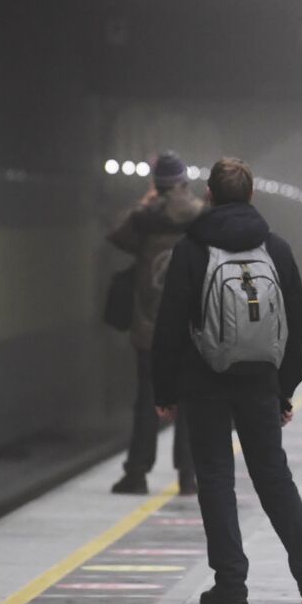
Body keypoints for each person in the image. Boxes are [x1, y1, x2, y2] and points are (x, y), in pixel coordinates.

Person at [152, 157, 302, 604]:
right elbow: (298, 325)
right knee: (274, 477)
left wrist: (165, 390)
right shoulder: (275, 247)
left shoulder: (191, 249)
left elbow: (171, 324)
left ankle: (231, 583)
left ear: (210, 197)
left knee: (215, 478)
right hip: (260, 382)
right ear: (252, 195)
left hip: (204, 381)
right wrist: (285, 388)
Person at [105, 152, 205, 495]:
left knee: (146, 402)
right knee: (190, 405)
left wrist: (145, 201)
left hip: (150, 326)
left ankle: (137, 473)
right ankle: (188, 476)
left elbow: (117, 235)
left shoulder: (145, 218)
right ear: (184, 182)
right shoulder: (199, 215)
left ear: (156, 184)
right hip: (192, 328)